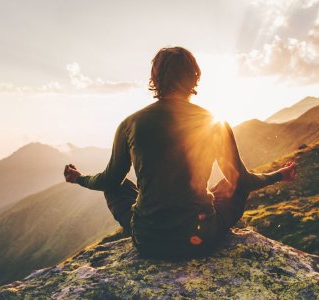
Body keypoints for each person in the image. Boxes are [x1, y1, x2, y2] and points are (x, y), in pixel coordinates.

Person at [64, 47, 297, 259]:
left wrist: (79, 178)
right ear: (194, 77)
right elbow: (243, 181)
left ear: (155, 79)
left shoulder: (130, 124)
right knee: (232, 184)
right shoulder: (214, 122)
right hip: (201, 240)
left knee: (117, 185)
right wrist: (279, 175)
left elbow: (108, 180)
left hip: (149, 241)